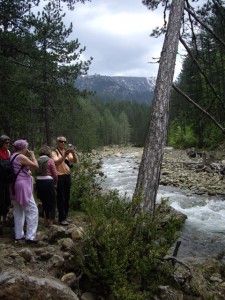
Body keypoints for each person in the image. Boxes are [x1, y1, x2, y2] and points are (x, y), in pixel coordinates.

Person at [10, 139, 39, 243]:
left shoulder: (12, 156)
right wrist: (33, 155)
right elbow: (36, 166)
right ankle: (30, 236)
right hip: (23, 185)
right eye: (26, 147)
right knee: (32, 210)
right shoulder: (21, 157)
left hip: (14, 186)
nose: (27, 149)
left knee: (18, 210)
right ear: (22, 148)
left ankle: (19, 235)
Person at [51, 136, 78, 226]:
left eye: (64, 142)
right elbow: (56, 163)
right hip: (60, 177)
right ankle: (62, 218)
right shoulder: (54, 152)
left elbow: (74, 161)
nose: (63, 143)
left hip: (67, 176)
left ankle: (65, 216)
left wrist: (73, 153)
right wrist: (65, 155)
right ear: (57, 142)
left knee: (67, 197)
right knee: (61, 198)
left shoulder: (66, 151)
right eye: (61, 141)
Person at [36, 145, 58, 227]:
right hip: (48, 181)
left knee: (44, 202)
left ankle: (45, 220)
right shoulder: (50, 160)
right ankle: (51, 221)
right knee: (52, 202)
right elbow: (55, 174)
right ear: (48, 152)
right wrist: (55, 183)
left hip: (39, 181)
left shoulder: (37, 160)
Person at [0, 135, 11, 225]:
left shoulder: (8, 152)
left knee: (7, 199)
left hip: (6, 180)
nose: (7, 144)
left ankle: (5, 218)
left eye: (8, 143)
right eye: (5, 142)